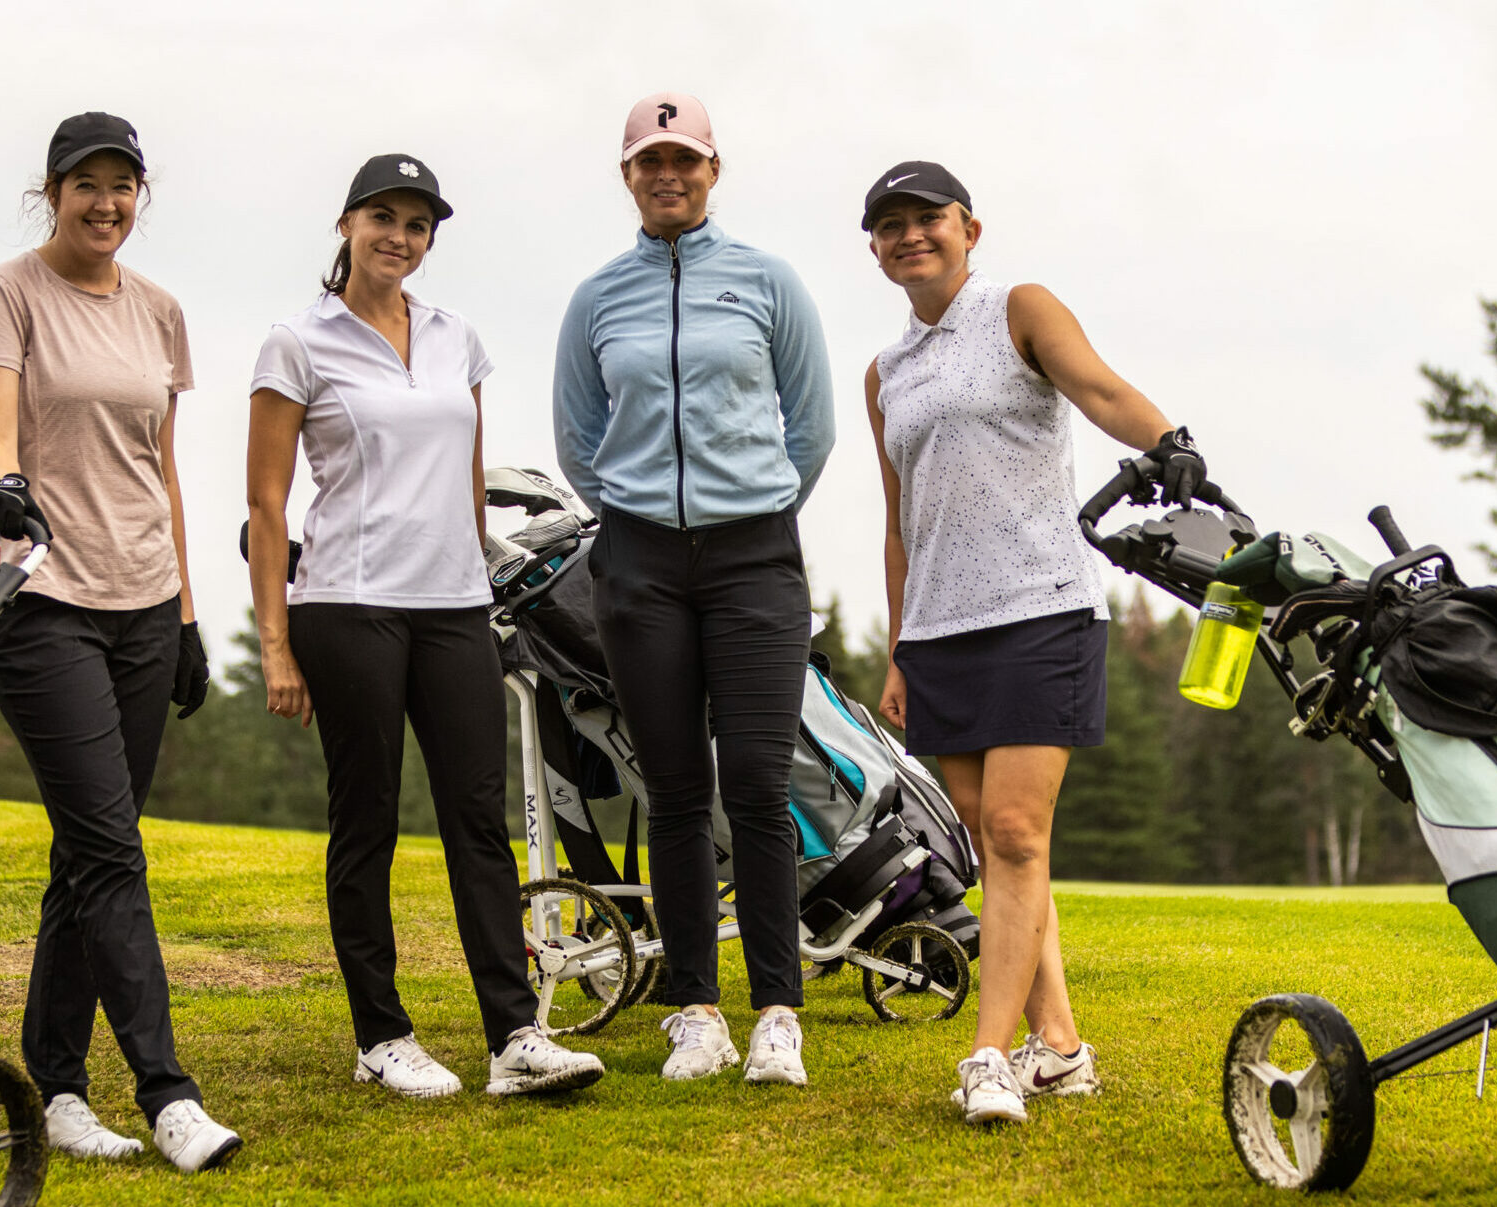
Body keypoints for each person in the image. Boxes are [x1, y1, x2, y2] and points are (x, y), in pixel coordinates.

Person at [248, 154, 606, 1100]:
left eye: (417, 222)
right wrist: (277, 644)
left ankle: (515, 1035)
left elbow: (467, 477)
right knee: (364, 821)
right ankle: (381, 1034)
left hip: (454, 608)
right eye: (382, 216)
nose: (399, 236)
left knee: (477, 821)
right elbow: (267, 504)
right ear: (346, 225)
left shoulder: (458, 340)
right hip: (347, 607)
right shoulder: (297, 342)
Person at [858, 161, 1204, 1125]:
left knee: (1015, 834)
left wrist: (1165, 437)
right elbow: (900, 520)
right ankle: (1059, 1047)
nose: (910, 235)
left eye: (927, 218)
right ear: (874, 248)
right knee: (999, 845)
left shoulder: (1020, 306)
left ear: (969, 227)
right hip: (937, 629)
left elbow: (1097, 388)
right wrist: (897, 646)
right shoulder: (886, 374)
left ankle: (988, 1058)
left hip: (1040, 607)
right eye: (889, 225)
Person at [0, 111, 238, 1171]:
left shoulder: (161, 313)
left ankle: (57, 1088)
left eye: (123, 187)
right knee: (113, 849)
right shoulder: (7, 293)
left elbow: (160, 474)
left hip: (145, 604)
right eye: (87, 185)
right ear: (52, 190)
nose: (106, 203)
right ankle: (168, 1093)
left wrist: (193, 617)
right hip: (41, 601)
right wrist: (1, 488)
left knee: (84, 852)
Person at [553, 93, 833, 1086]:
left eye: (685, 159)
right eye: (647, 162)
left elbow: (810, 426)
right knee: (672, 786)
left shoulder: (767, 282)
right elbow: (578, 439)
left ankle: (777, 1012)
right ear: (627, 176)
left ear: (714, 169)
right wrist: (640, 517)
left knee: (757, 782)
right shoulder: (596, 299)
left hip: (755, 558)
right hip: (638, 565)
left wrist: (742, 508)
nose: (666, 175)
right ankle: (696, 1011)